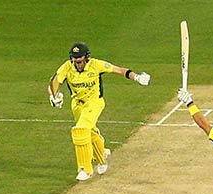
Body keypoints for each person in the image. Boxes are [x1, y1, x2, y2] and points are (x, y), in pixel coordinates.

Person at [48, 42, 151, 181]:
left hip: (94, 102)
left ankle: (85, 168)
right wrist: (53, 96)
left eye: (79, 59)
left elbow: (119, 70)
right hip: (77, 105)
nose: (77, 62)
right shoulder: (67, 67)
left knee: (80, 130)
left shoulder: (96, 65)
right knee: (89, 132)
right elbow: (54, 82)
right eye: (74, 59)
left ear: (87, 57)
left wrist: (137, 77)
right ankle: (102, 157)